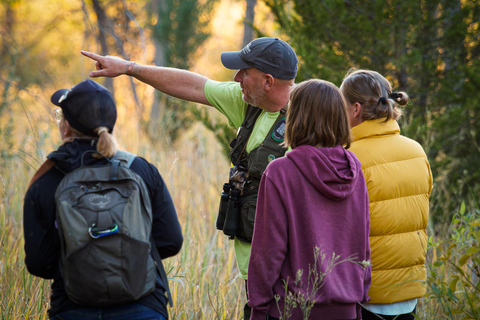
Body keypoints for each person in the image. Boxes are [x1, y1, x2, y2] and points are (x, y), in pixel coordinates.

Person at [81, 37, 298, 319]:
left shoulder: (304, 119)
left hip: (289, 274)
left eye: (245, 72)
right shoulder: (248, 101)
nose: (237, 78)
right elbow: (193, 85)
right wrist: (129, 68)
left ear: (267, 81)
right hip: (256, 272)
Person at [23, 79, 183, 320]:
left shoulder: (46, 180)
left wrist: (82, 262)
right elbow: (171, 241)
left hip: (73, 308)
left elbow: (39, 264)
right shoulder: (140, 169)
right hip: (143, 306)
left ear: (66, 127)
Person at [248, 79, 371, 320]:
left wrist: (258, 307)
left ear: (295, 117)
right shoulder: (354, 169)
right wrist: (360, 295)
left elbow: (268, 250)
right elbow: (362, 241)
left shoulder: (280, 172)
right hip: (346, 307)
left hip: (291, 308)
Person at [339, 69, 433, 320]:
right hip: (408, 293)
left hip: (366, 294)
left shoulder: (349, 157)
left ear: (356, 109)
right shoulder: (417, 151)